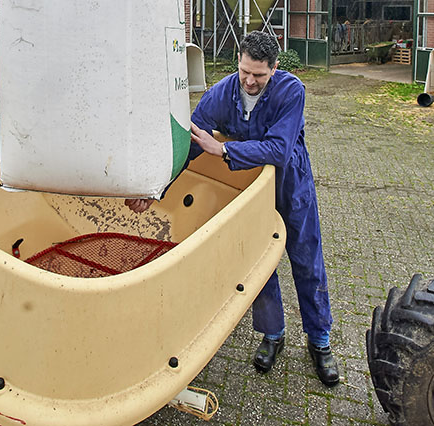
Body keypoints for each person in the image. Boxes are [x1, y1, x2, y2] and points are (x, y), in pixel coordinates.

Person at [128, 30, 338, 385]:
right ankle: (273, 335)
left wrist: (223, 150)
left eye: (259, 75)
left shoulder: (292, 91)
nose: (250, 81)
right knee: (259, 262)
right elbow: (191, 144)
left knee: (306, 258)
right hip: (250, 186)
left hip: (290, 183)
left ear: (274, 68)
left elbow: (280, 149)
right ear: (237, 63)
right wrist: (156, 188)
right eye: (244, 72)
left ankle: (320, 341)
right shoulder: (221, 93)